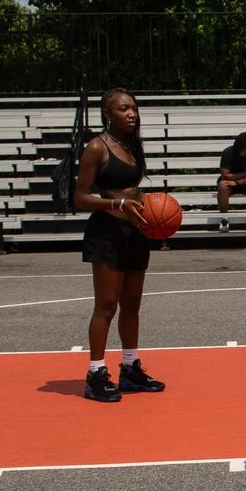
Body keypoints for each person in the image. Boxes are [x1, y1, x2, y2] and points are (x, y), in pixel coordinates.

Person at [71, 88, 166, 402]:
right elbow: (80, 198)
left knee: (132, 306)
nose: (132, 114)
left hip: (136, 231)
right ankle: (95, 374)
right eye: (124, 109)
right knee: (106, 306)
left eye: (134, 109)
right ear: (107, 115)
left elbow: (132, 190)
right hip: (108, 232)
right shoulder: (96, 148)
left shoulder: (132, 145)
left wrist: (155, 210)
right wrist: (118, 205)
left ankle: (129, 368)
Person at [216, 132, 246, 230]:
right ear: (243, 146)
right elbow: (225, 175)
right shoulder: (228, 152)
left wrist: (238, 182)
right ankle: (224, 219)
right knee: (222, 185)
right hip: (230, 183)